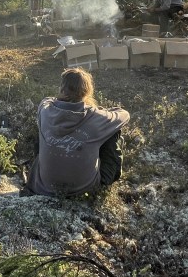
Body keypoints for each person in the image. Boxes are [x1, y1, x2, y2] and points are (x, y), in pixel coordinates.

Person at [25, 68, 130, 197]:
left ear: (62, 88)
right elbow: (125, 115)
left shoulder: (45, 110)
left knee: (42, 130)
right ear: (87, 92)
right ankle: (101, 188)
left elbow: (48, 99)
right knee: (113, 131)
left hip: (43, 187)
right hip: (85, 189)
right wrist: (98, 110)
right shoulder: (96, 118)